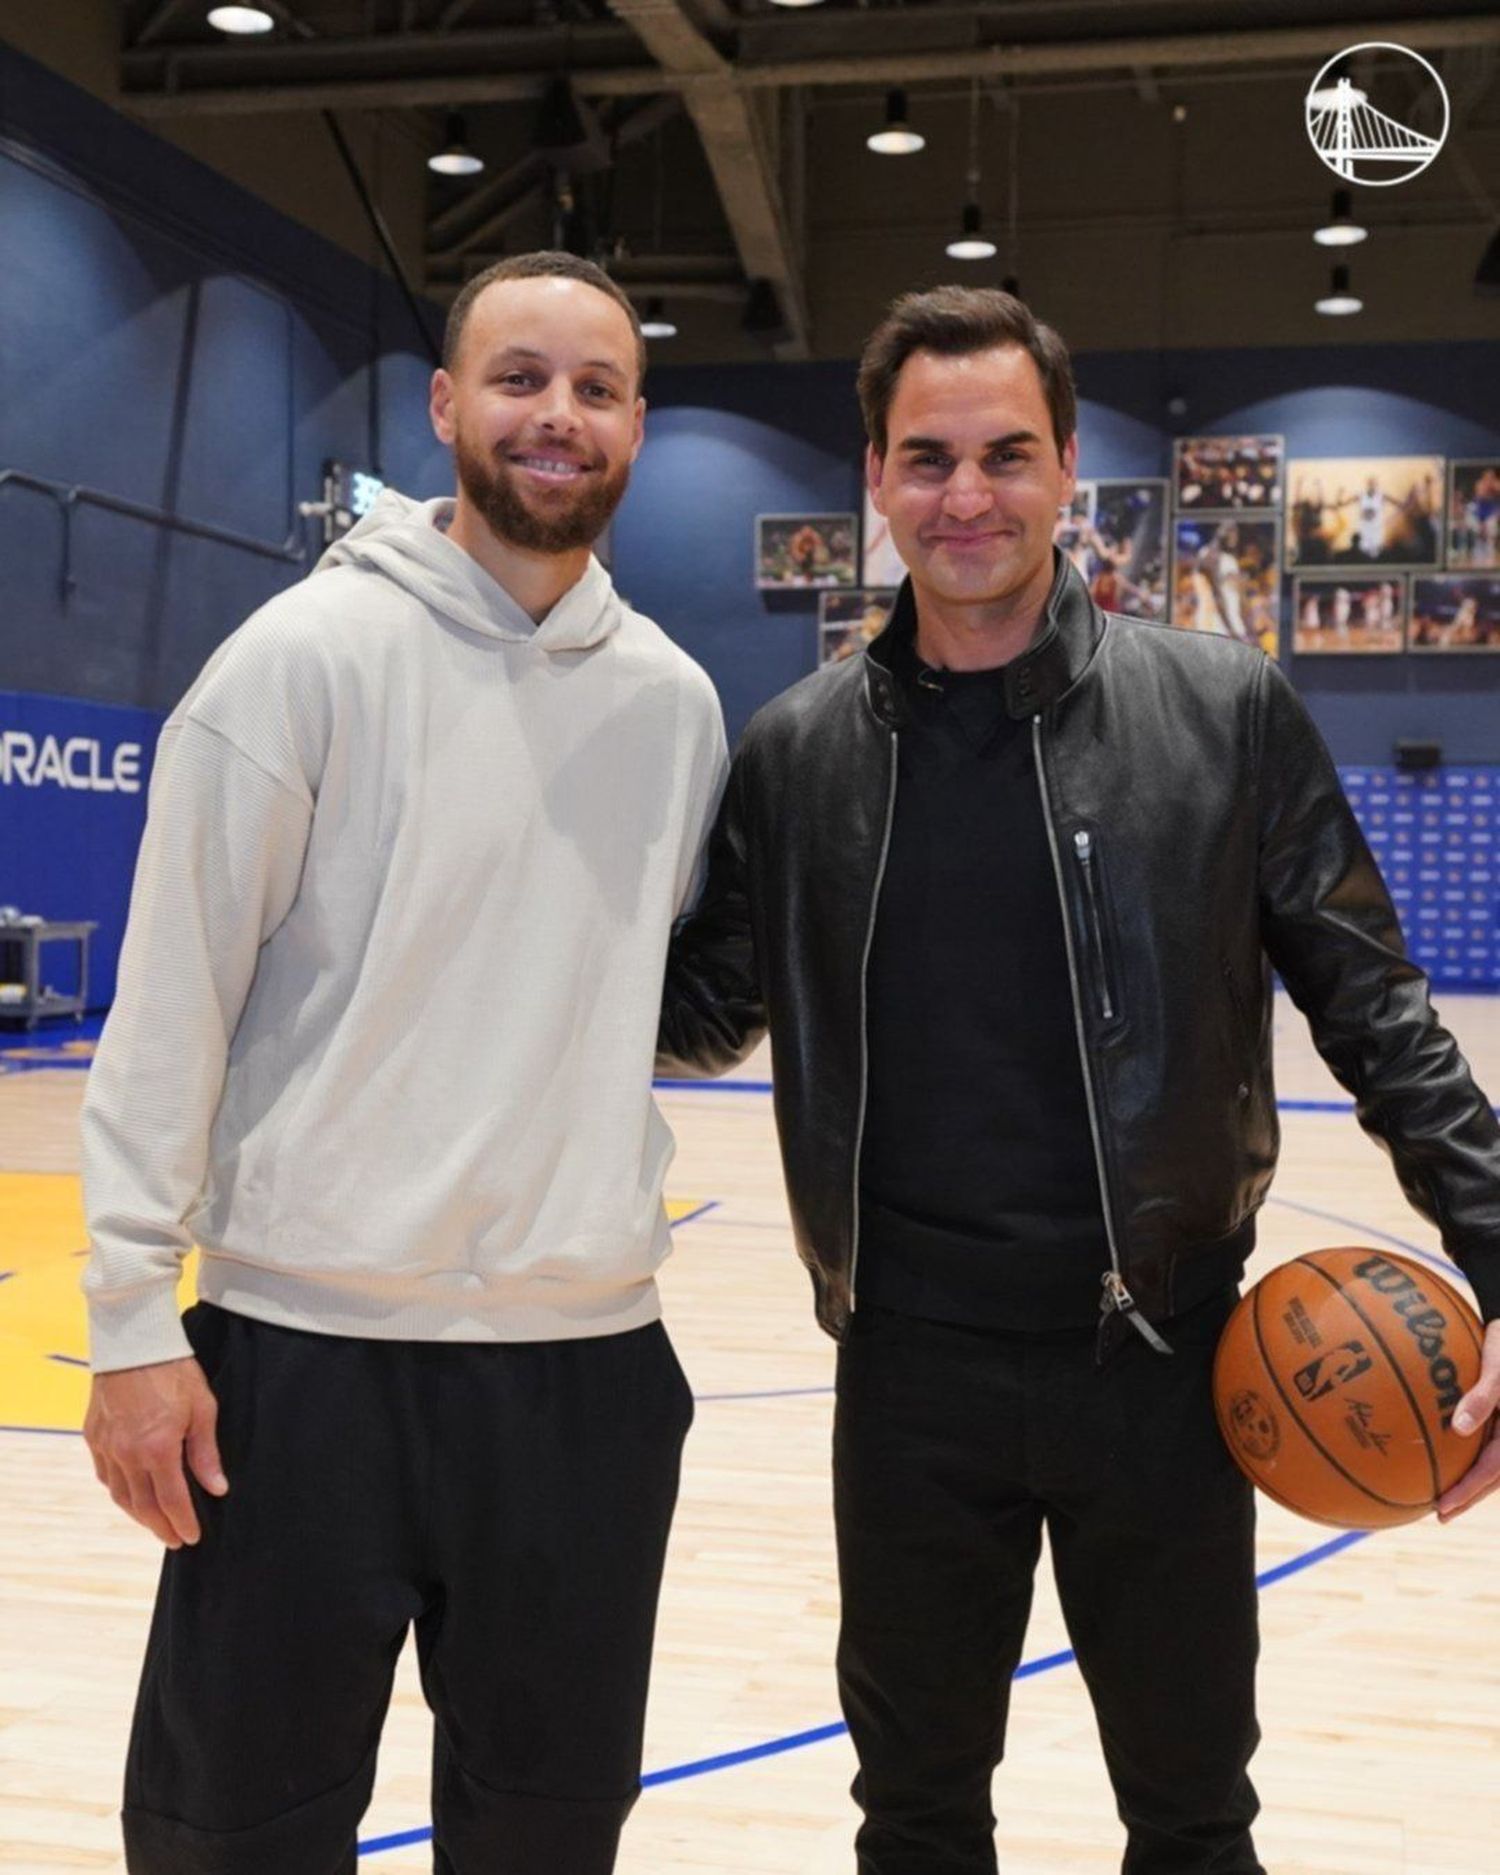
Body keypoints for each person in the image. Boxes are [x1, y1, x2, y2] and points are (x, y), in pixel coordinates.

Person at [657, 285, 1500, 1875]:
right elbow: (701, 1015)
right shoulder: (796, 752)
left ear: (1064, 478)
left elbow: (1375, 1007)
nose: (964, 496)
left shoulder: (1223, 710)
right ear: (876, 479)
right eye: (927, 459)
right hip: (908, 1373)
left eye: (1004, 455)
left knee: (1192, 1817)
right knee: (912, 1817)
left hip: (1168, 1366)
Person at [80, 250, 726, 1874]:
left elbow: (649, 990)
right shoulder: (296, 663)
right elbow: (168, 1007)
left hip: (585, 1372)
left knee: (546, 1837)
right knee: (239, 1834)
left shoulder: (676, 706)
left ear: (638, 424)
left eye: (596, 387)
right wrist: (130, 1323)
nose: (556, 416)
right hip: (304, 1367)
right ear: (445, 406)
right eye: (519, 378)